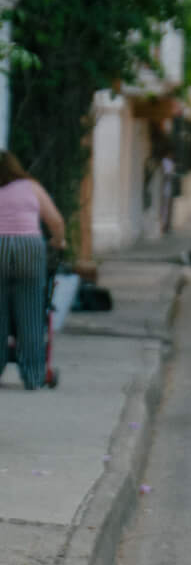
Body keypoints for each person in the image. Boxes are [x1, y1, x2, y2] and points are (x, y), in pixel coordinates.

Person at [0, 150, 65, 390]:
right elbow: (56, 222)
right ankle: (34, 376)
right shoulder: (30, 187)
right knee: (29, 313)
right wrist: (58, 242)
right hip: (30, 247)